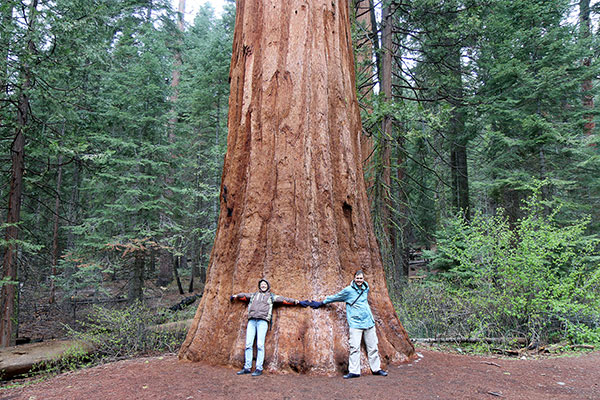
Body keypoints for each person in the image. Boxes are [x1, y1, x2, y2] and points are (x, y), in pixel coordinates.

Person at [309, 270, 388, 379]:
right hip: (355, 323)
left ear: (363, 279)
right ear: (354, 278)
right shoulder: (348, 291)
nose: (359, 280)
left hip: (369, 322)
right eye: (357, 278)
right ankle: (354, 371)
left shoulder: (366, 288)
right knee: (354, 347)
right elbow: (336, 297)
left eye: (361, 278)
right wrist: (322, 303)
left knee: (373, 347)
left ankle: (376, 369)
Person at [230, 279, 309, 376]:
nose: (263, 286)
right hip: (251, 321)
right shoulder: (254, 295)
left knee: (260, 345)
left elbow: (284, 299)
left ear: (268, 286)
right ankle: (247, 367)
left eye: (265, 284)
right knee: (248, 344)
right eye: (261, 284)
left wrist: (297, 302)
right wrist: (235, 296)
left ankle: (259, 368)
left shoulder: (271, 296)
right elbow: (244, 295)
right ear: (259, 286)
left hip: (262, 321)